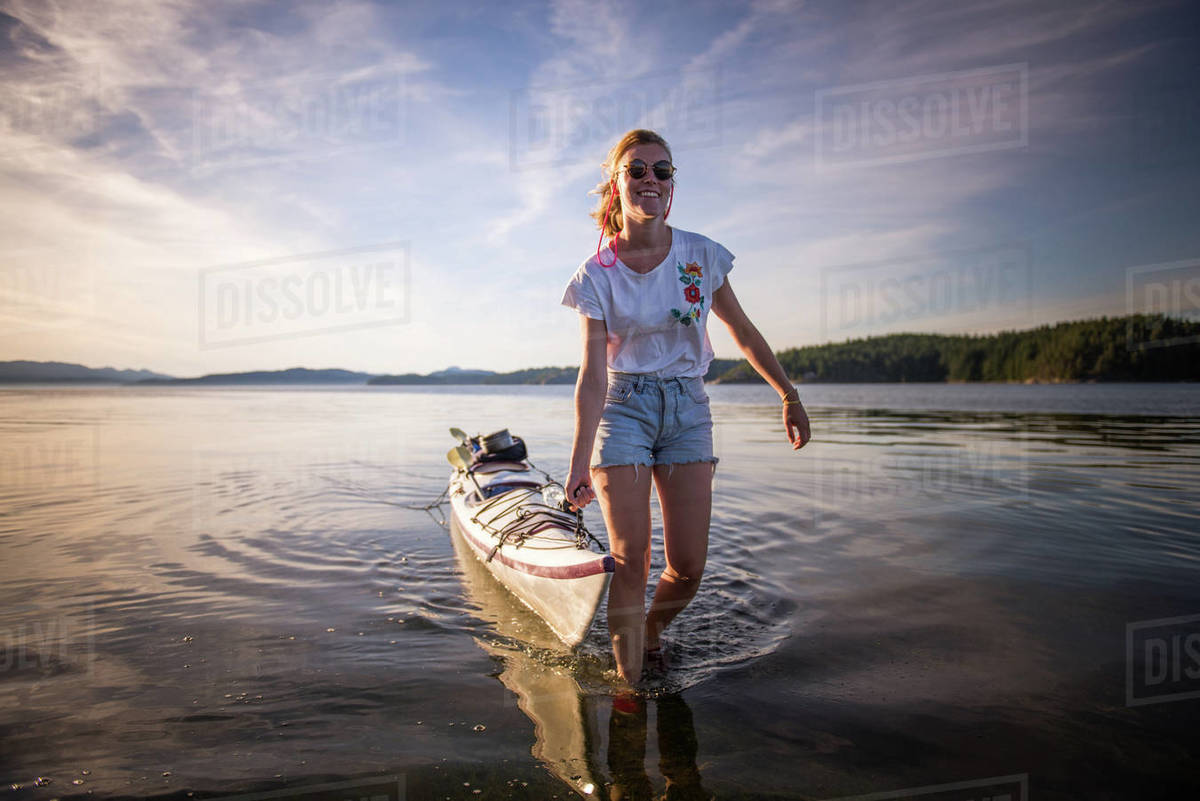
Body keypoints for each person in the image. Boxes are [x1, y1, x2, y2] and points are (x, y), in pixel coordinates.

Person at [561, 128, 810, 685]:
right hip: (623, 408)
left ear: (672, 183)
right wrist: (578, 463)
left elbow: (742, 331)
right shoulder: (596, 274)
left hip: (687, 409)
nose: (651, 179)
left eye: (662, 170)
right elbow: (593, 371)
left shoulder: (702, 254)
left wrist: (788, 394)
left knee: (689, 568)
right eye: (638, 170)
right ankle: (628, 695)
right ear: (617, 183)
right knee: (630, 561)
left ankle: (650, 630)